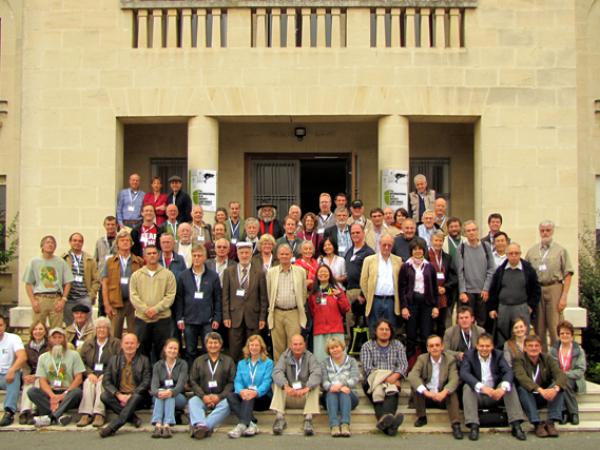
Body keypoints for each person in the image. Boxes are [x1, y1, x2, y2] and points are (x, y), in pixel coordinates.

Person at [460, 333, 527, 441]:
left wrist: (502, 389)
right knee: (467, 387)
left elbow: (508, 372)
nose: (484, 349)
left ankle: (516, 425)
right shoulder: (469, 355)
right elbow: (464, 373)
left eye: (487, 346)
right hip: (479, 396)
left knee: (509, 385)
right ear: (477, 346)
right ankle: (473, 426)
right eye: (481, 346)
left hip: (496, 395)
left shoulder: (498, 355)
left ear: (492, 346)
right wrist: (482, 387)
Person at [525, 220, 574, 351]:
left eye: (548, 230)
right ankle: (542, 360)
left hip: (554, 288)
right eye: (542, 230)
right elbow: (526, 274)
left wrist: (564, 296)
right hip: (538, 289)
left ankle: (557, 359)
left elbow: (568, 274)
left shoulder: (561, 251)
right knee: (539, 328)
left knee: (554, 326)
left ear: (552, 231)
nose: (545, 233)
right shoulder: (532, 251)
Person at [407, 335, 462, 439]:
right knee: (417, 386)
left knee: (452, 392)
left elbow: (454, 379)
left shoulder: (450, 360)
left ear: (442, 347)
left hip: (442, 397)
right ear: (428, 348)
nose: (434, 348)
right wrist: (426, 392)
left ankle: (456, 424)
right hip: (427, 397)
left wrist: (444, 392)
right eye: (431, 346)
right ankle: (422, 417)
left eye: (437, 345)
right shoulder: (422, 358)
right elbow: (412, 375)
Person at [28, 327, 85, 427]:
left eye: (60, 337)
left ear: (64, 339)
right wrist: (52, 396)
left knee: (77, 392)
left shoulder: (74, 355)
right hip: (51, 392)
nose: (57, 340)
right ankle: (59, 416)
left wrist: (64, 394)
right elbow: (42, 381)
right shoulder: (43, 357)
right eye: (54, 338)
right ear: (49, 340)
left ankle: (50, 417)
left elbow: (79, 378)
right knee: (32, 391)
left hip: (68, 393)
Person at [514, 335, 567, 438]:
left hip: (545, 396)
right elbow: (521, 377)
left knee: (559, 386)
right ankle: (537, 423)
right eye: (530, 346)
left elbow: (561, 375)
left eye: (536, 346)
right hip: (528, 396)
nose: (534, 348)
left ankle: (551, 422)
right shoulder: (518, 359)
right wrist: (539, 389)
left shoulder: (547, 358)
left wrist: (555, 389)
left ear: (540, 348)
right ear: (524, 348)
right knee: (522, 388)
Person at [175, 245, 222, 364]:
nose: (196, 258)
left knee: (209, 350)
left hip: (207, 320)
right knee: (190, 351)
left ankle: (207, 376)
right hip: (189, 320)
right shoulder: (183, 276)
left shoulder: (213, 276)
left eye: (199, 256)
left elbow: (217, 298)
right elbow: (179, 298)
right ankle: (192, 378)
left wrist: (217, 317)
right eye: (194, 255)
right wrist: (179, 318)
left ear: (205, 257)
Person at [129, 245, 177, 361]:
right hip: (142, 319)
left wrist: (156, 309)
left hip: (162, 319)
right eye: (149, 253)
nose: (152, 255)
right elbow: (133, 295)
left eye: (154, 253)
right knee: (142, 352)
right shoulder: (136, 275)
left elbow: (170, 295)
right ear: (144, 256)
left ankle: (161, 376)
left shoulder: (168, 275)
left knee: (162, 352)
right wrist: (145, 309)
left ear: (159, 255)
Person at [223, 241, 268, 362]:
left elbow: (263, 298)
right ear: (237, 254)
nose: (244, 255)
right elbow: (225, 296)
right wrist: (226, 315)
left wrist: (262, 318)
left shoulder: (259, 272)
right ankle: (235, 375)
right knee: (235, 350)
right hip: (234, 317)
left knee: (253, 349)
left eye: (247, 253)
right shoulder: (229, 271)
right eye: (241, 253)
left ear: (251, 254)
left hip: (253, 316)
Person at [488, 243, 541, 346]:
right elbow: (493, 290)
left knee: (522, 335)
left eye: (516, 253)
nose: (513, 256)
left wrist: (531, 306)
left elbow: (536, 289)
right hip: (503, 308)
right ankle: (504, 358)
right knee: (502, 336)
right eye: (511, 253)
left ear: (520, 254)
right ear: (507, 254)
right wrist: (492, 308)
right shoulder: (500, 270)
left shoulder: (528, 270)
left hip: (521, 307)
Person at [360, 319, 406, 436]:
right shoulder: (367, 346)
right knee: (379, 390)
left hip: (392, 380)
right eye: (381, 329)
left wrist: (396, 376)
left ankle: (386, 425)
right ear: (375, 331)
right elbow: (368, 368)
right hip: (372, 382)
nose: (384, 332)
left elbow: (403, 364)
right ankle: (391, 426)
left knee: (392, 390)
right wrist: (388, 377)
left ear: (391, 331)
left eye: (387, 329)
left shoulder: (398, 345)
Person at [99, 333, 151, 437]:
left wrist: (131, 395)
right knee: (104, 396)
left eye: (132, 343)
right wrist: (118, 395)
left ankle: (113, 426)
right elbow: (106, 381)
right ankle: (133, 418)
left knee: (136, 397)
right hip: (120, 396)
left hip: (138, 397)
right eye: (126, 343)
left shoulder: (144, 360)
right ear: (121, 345)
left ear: (137, 345)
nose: (129, 346)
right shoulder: (114, 360)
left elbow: (146, 381)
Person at [271, 334, 321, 436]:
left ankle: (308, 420)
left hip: (304, 397)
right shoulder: (284, 356)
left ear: (304, 345)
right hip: (289, 395)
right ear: (290, 345)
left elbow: (317, 373)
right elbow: (277, 372)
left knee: (315, 386)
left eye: (300, 344)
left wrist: (307, 388)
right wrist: (286, 386)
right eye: (295, 344)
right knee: (278, 384)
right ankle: (280, 419)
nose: (297, 347)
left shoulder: (310, 357)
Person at [188, 332, 236, 439]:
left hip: (221, 398)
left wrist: (220, 397)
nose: (213, 345)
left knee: (227, 404)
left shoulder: (228, 361)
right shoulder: (198, 361)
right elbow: (193, 381)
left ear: (220, 345)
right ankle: (203, 426)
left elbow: (231, 382)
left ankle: (201, 426)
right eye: (210, 343)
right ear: (206, 344)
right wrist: (203, 396)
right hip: (203, 396)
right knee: (192, 402)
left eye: (215, 343)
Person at [76, 317, 121, 428]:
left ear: (109, 329)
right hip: (92, 374)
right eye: (99, 328)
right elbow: (81, 361)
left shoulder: (115, 343)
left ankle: (99, 414)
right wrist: (89, 373)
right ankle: (86, 414)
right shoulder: (88, 343)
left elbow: (118, 361)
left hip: (108, 375)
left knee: (102, 383)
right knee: (88, 383)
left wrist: (106, 374)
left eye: (104, 328)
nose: (101, 330)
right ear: (95, 329)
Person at [226, 335, 274, 438]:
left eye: (257, 345)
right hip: (246, 396)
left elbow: (267, 382)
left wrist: (255, 392)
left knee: (249, 395)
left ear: (261, 347)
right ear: (248, 347)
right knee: (231, 396)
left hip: (262, 397)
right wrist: (240, 391)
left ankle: (241, 425)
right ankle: (251, 423)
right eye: (251, 345)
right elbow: (238, 381)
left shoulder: (268, 363)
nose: (254, 347)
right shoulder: (242, 363)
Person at [266, 244, 308, 361]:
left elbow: (303, 293)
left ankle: (294, 373)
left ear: (291, 255)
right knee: (278, 346)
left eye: (287, 254)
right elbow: (269, 292)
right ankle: (279, 375)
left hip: (293, 313)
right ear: (278, 256)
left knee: (295, 345)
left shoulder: (300, 271)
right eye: (282, 254)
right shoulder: (271, 272)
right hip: (277, 313)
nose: (284, 256)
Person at [24, 235, 74, 329]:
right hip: (40, 298)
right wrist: (33, 301)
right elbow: (28, 283)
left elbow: (68, 282)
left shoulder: (61, 262)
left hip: (56, 299)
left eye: (52, 243)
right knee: (37, 327)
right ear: (42, 246)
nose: (50, 244)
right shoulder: (34, 262)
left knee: (57, 329)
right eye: (47, 242)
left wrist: (63, 300)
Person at [399, 240, 439, 358]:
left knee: (426, 334)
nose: (418, 251)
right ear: (411, 251)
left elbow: (434, 288)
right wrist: (404, 307)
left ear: (424, 250)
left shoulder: (429, 266)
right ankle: (410, 364)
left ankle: (425, 362)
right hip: (411, 303)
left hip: (426, 304)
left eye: (420, 249)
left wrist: (435, 306)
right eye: (415, 249)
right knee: (411, 334)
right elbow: (402, 288)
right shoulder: (406, 267)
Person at [101, 230, 144, 338]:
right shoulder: (110, 261)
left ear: (131, 243)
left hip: (133, 304)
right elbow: (105, 283)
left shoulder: (138, 261)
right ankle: (115, 355)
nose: (125, 243)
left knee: (134, 334)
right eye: (122, 240)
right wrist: (106, 305)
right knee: (114, 335)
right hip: (115, 303)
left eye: (127, 240)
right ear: (117, 244)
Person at [455, 220, 496, 328]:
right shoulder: (461, 248)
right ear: (465, 233)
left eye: (473, 230)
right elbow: (460, 271)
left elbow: (491, 269)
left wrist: (486, 288)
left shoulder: (485, 246)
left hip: (483, 293)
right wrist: (462, 291)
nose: (471, 233)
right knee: (467, 323)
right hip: (468, 293)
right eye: (468, 231)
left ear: (478, 231)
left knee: (482, 323)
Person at [308, 265, 350, 362]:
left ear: (330, 274)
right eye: (320, 272)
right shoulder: (313, 293)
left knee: (338, 358)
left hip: (336, 329)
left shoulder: (336, 290)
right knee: (320, 359)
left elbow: (346, 308)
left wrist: (339, 295)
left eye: (326, 272)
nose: (323, 274)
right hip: (319, 330)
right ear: (317, 275)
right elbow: (312, 310)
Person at [360, 235, 402, 329]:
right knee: (375, 328)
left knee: (391, 328)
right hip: (375, 300)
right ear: (379, 245)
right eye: (384, 245)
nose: (386, 247)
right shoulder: (369, 260)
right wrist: (370, 296)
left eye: (389, 245)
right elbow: (363, 281)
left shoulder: (398, 260)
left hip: (392, 301)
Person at [549, 321, 586, 425]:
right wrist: (561, 376)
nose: (564, 335)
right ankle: (572, 412)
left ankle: (566, 412)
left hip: (575, 380)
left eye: (567, 333)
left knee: (566, 382)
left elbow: (580, 370)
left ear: (572, 335)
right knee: (563, 382)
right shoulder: (553, 350)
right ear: (558, 335)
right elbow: (551, 369)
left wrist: (565, 375)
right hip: (557, 379)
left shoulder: (579, 350)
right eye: (562, 333)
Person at [150, 338, 188, 438]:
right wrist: (158, 393)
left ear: (178, 351)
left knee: (169, 394)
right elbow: (153, 386)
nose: (172, 350)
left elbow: (180, 385)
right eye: (170, 348)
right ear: (165, 349)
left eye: (175, 348)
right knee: (162, 392)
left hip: (178, 397)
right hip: (159, 396)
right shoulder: (157, 365)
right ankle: (159, 426)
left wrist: (171, 392)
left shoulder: (183, 364)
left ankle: (166, 425)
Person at [321, 337, 359, 437]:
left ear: (342, 347)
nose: (335, 350)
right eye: (332, 348)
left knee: (344, 392)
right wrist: (333, 387)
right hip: (330, 395)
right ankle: (334, 425)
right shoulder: (324, 363)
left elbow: (354, 379)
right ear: (328, 351)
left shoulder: (351, 361)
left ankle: (345, 424)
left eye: (337, 347)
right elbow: (324, 382)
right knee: (331, 392)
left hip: (350, 396)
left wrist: (341, 385)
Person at [62, 232, 100, 325]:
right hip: (69, 298)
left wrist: (91, 295)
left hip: (84, 298)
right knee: (69, 326)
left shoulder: (90, 259)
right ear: (70, 242)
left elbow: (96, 279)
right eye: (74, 240)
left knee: (86, 325)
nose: (77, 243)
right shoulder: (63, 259)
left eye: (80, 241)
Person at [344, 223, 375, 334]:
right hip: (349, 291)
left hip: (362, 293)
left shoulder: (369, 252)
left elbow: (372, 275)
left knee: (362, 324)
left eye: (358, 232)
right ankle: (351, 349)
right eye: (353, 233)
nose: (355, 235)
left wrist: (363, 294)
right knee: (350, 322)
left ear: (363, 233)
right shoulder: (348, 252)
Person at [427, 231, 457, 337]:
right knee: (429, 325)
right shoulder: (426, 256)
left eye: (440, 241)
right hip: (429, 296)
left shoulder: (447, 258)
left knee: (442, 325)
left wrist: (445, 288)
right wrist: (435, 288)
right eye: (436, 240)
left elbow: (453, 277)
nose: (438, 243)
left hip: (444, 296)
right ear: (431, 241)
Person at [18, 321, 48, 425]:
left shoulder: (49, 346)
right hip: (31, 373)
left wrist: (36, 375)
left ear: (45, 331)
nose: (38, 332)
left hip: (45, 375)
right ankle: (25, 411)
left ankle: (34, 410)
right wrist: (26, 376)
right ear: (32, 332)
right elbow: (25, 365)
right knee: (27, 383)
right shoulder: (26, 347)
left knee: (37, 382)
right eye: (35, 329)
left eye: (40, 329)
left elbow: (50, 366)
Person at [0, 315, 26, 427]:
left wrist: (12, 369)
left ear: (5, 326)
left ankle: (9, 412)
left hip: (8, 375)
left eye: (0, 325)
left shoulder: (13, 338)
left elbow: (22, 357)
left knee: (15, 374)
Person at [94, 215, 118, 317]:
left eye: (112, 224)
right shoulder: (99, 242)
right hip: (103, 280)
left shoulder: (120, 240)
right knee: (102, 308)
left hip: (116, 279)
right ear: (104, 226)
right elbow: (96, 259)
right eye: (108, 224)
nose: (110, 227)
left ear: (116, 226)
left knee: (115, 308)